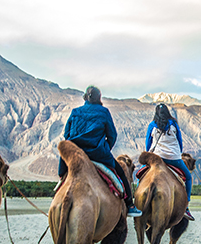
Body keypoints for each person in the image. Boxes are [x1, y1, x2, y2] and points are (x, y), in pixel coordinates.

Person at [58, 86, 141, 217]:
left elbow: (66, 134)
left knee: (63, 175)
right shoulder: (104, 112)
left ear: (86, 97)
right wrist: (104, 148)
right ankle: (130, 205)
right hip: (97, 154)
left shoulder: (75, 112)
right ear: (99, 98)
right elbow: (112, 135)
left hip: (76, 154)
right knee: (120, 174)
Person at [146, 103, 195, 221]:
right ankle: (186, 207)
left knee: (141, 175)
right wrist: (178, 153)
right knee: (188, 177)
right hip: (173, 158)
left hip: (157, 157)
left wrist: (149, 155)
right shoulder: (173, 124)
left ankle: (137, 202)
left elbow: (148, 143)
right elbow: (180, 141)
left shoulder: (152, 125)